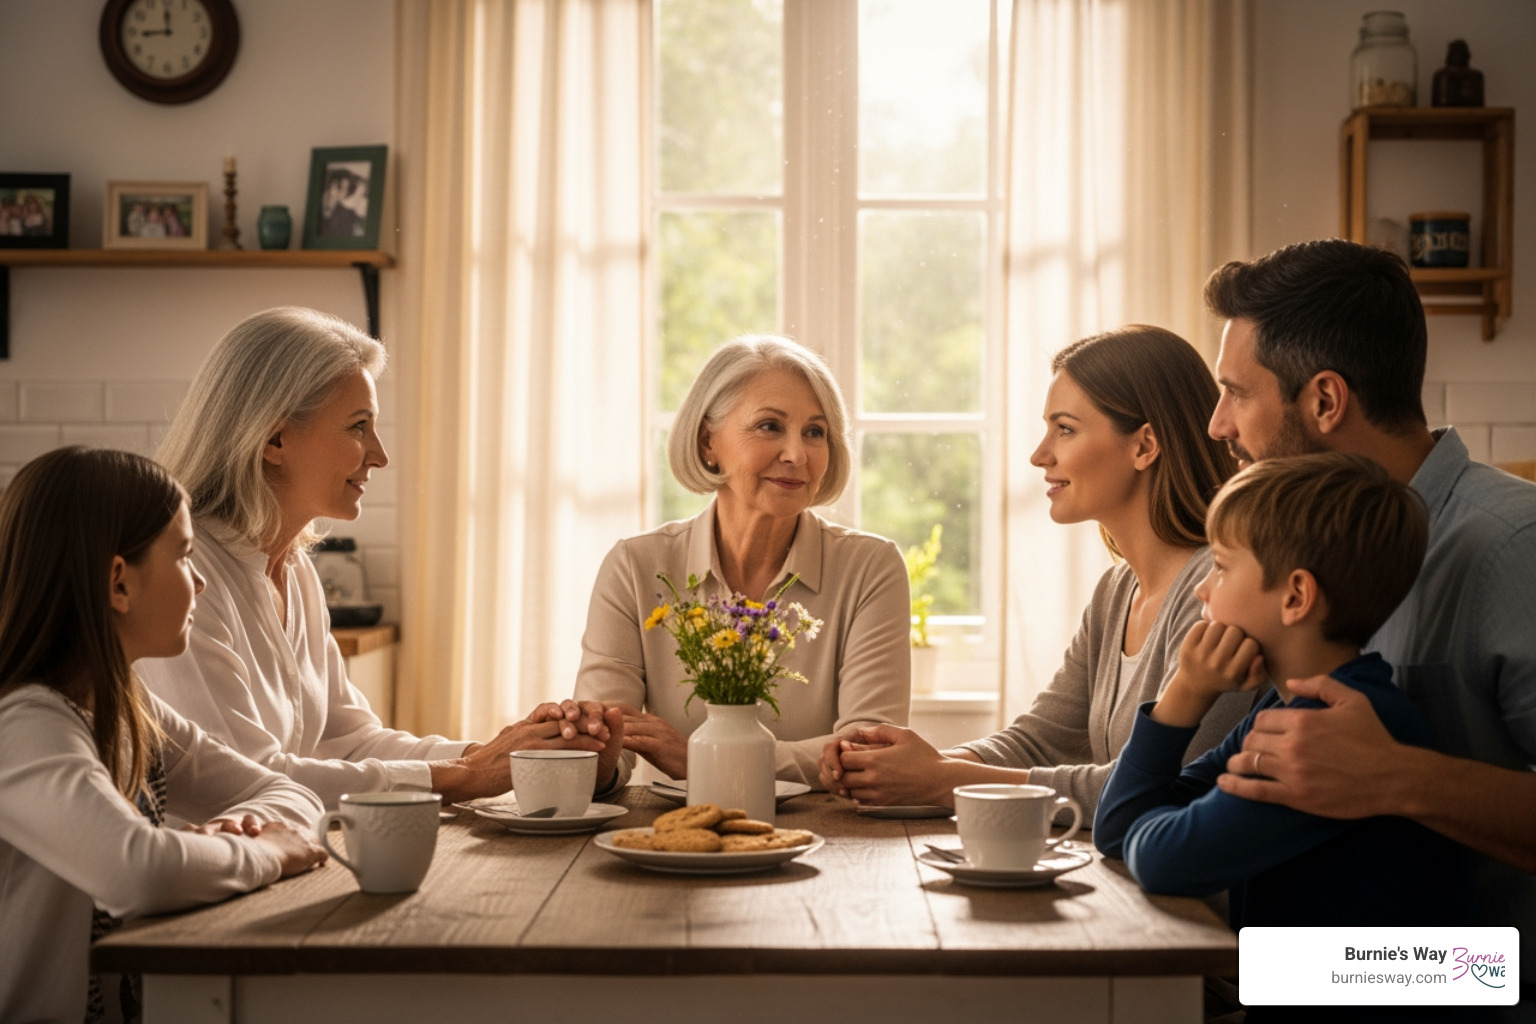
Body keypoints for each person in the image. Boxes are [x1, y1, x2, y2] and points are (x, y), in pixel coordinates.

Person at [1201, 241, 1534, 1005]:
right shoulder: (1292, 562)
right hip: (1332, 982)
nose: (1218, 424)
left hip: (1476, 990)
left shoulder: (1514, 546)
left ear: (1323, 401)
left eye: (1236, 393)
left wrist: (1397, 776)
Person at [139, 307, 619, 809]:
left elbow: (351, 742)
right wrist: (470, 774)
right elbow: (247, 782)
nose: (380, 454)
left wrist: (508, 751)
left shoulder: (296, 570)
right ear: (275, 439)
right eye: (358, 427)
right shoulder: (187, 578)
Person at [1094, 454, 1473, 1024]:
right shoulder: (1286, 703)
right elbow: (1118, 828)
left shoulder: (1325, 729)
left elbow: (1160, 858)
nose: (1202, 589)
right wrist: (1186, 695)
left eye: (1221, 567)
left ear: (1295, 596)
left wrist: (1184, 695)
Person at [820, 326, 1255, 817]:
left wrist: (943, 783)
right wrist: (907, 767)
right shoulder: (1117, 591)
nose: (1039, 454)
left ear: (1144, 446)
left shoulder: (1218, 592)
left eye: (1064, 429)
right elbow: (1039, 741)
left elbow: (1165, 786)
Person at [0, 447, 327, 1024]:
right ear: (118, 584)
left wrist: (240, 825)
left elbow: (288, 793)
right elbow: (140, 873)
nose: (200, 582)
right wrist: (263, 850)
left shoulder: (128, 705)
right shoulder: (24, 725)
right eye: (183, 557)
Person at [568, 334, 910, 792]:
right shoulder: (635, 565)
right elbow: (606, 757)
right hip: (676, 836)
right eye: (770, 426)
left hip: (832, 842)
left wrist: (702, 759)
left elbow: (871, 754)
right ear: (709, 442)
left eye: (815, 432)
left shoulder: (872, 568)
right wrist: (583, 745)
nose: (797, 454)